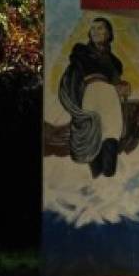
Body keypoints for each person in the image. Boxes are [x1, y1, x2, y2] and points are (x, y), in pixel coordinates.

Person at [57, 16, 131, 178]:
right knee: (94, 137)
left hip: (110, 100)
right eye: (93, 28)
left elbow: (116, 82)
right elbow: (74, 78)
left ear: (109, 33)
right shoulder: (81, 52)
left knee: (111, 135)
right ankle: (97, 178)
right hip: (93, 97)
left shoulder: (114, 62)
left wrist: (123, 87)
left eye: (100, 28)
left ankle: (108, 178)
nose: (96, 32)